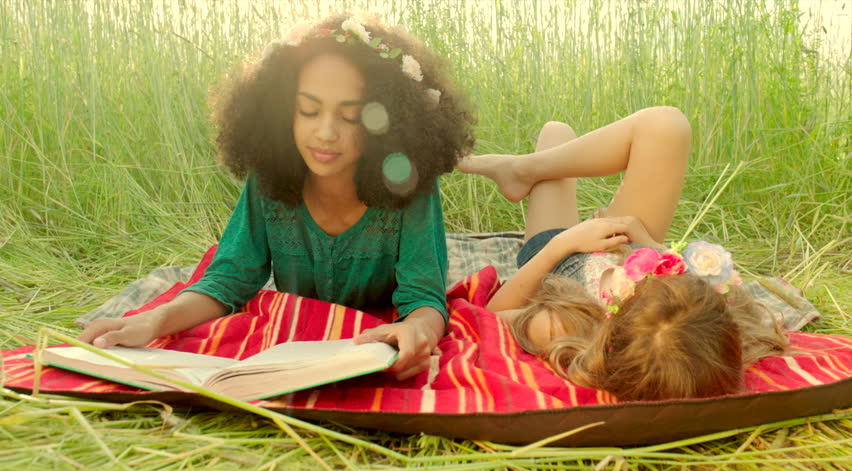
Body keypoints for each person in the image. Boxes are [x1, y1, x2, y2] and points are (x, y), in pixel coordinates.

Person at [78, 15, 475, 381]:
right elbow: (228, 280)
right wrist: (153, 321)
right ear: (284, 111)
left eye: (350, 116)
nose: (324, 133)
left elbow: (424, 298)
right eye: (308, 110)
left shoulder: (411, 185)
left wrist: (416, 329)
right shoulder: (271, 177)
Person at [458, 107, 787, 401]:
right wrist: (649, 246)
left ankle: (525, 169)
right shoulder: (704, 333)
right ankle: (527, 167)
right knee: (666, 125)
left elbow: (489, 317)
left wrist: (564, 244)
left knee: (556, 131)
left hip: (559, 256)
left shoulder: (574, 325)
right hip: (626, 238)